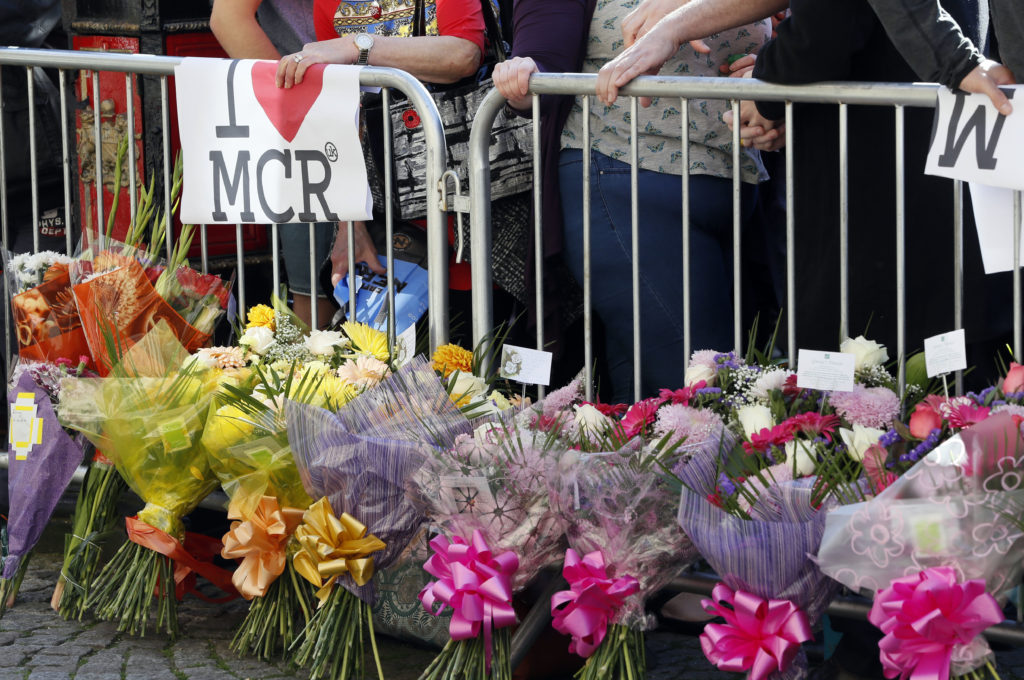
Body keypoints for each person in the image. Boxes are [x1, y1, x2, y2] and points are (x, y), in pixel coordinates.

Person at [493, 0, 770, 402]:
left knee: (643, 407)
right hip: (626, 184)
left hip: (733, 188)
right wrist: (519, 78)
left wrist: (766, 73)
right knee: (702, 397)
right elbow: (541, 73)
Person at [209, 0, 337, 328]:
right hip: (317, 115)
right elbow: (228, 17)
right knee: (317, 295)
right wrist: (295, 99)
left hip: (393, 102)